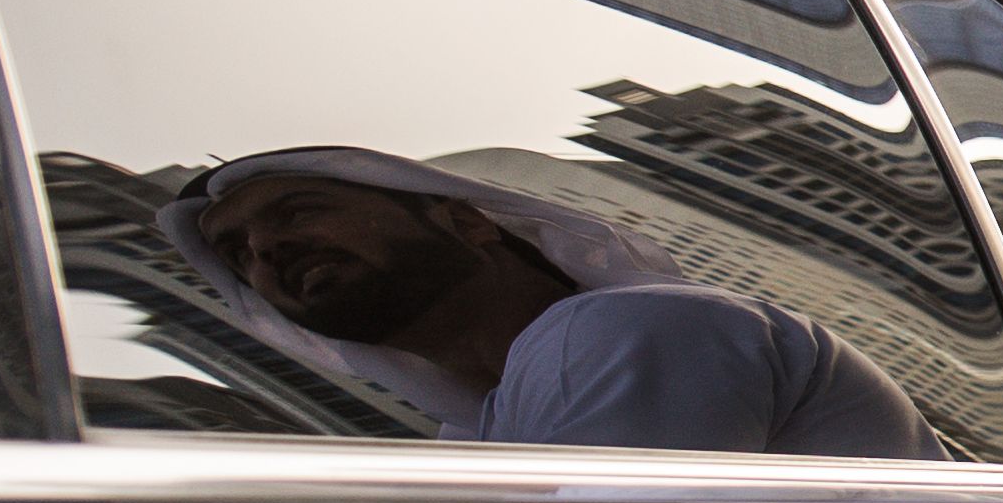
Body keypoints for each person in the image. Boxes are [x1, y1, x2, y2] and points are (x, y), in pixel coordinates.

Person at [163, 148, 935, 459]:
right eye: (236, 254)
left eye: (297, 212)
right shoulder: (474, 436)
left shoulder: (622, 332)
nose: (265, 251)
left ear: (465, 219)